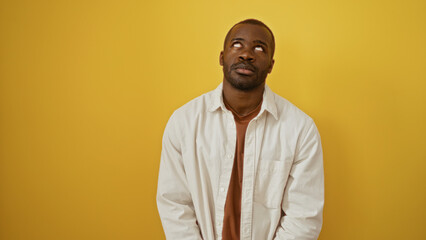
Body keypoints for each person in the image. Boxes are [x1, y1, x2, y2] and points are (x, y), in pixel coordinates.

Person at [157, 19, 324, 240]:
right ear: (221, 57)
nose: (247, 54)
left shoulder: (301, 129)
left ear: (271, 65)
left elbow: (304, 216)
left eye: (259, 48)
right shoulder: (184, 122)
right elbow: (174, 203)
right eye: (237, 44)